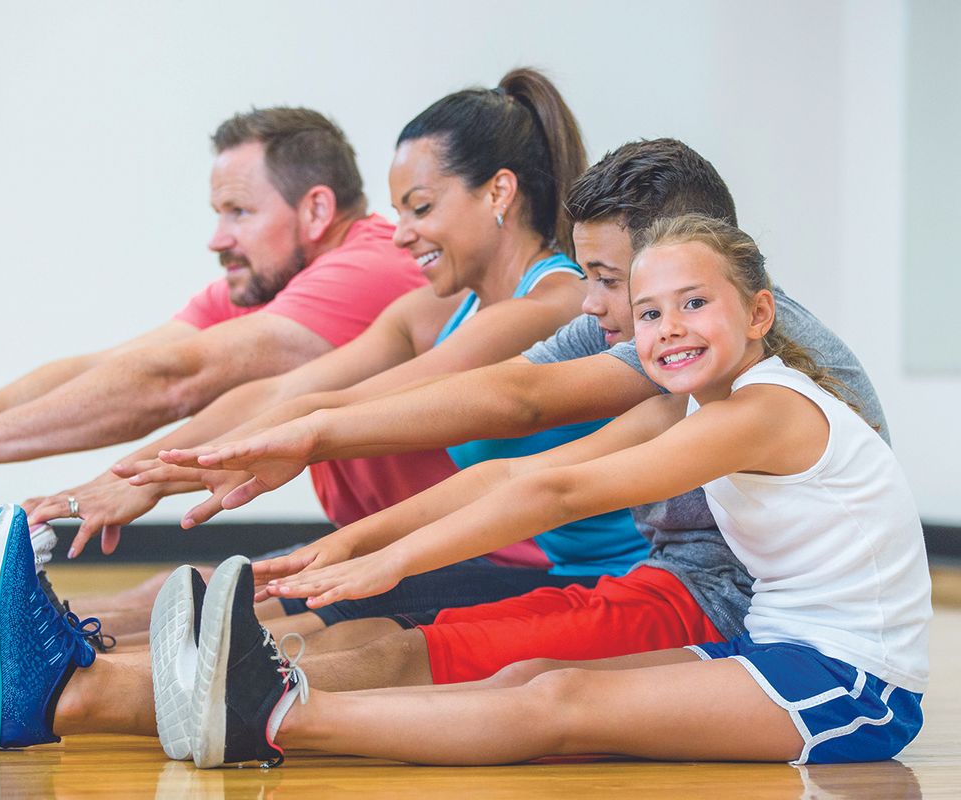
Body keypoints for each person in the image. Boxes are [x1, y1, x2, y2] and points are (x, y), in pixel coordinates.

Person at [171, 214, 930, 767]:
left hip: (855, 683)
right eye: (650, 313)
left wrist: (393, 565)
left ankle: (272, 715)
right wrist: (345, 545)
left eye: (696, 303)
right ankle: (280, 699)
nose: (670, 328)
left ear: (760, 312)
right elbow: (512, 474)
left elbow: (563, 492)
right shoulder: (690, 406)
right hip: (774, 646)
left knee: (557, 704)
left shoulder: (767, 408)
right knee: (530, 677)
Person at [129, 139, 890, 688]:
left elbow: (520, 419)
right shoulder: (659, 342)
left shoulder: (700, 349)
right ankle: (100, 669)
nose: (594, 303)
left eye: (422, 207)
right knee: (347, 624)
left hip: (715, 610)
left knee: (400, 651)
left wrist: (354, 506)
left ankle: (118, 686)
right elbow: (513, 456)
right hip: (664, 586)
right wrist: (319, 472)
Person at [0, 106, 427, 697]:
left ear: (315, 210)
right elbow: (114, 369)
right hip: (386, 546)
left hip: (462, 559)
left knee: (207, 605)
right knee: (175, 589)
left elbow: (180, 379)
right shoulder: (275, 282)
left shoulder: (371, 270)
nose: (217, 238)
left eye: (238, 212)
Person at [21, 69, 645, 642]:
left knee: (269, 618)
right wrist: (128, 479)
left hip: (553, 573)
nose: (401, 234)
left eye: (421, 208)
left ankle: (53, 671)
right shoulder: (441, 309)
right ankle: (1, 652)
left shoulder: (552, 306)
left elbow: (349, 406)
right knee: (199, 589)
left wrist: (171, 476)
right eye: (399, 211)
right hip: (466, 550)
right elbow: (284, 394)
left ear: (498, 193)